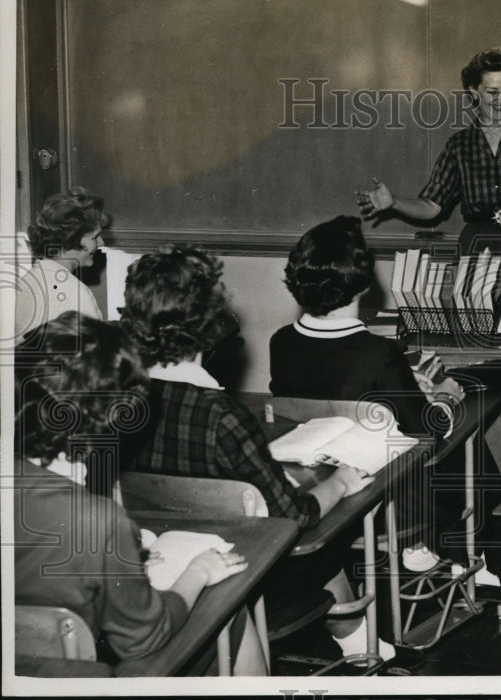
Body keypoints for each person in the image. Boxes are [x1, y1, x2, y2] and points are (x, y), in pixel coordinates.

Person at [118, 245, 422, 669]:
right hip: (247, 574)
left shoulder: (117, 400)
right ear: (209, 326)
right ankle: (363, 648)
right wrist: (339, 482)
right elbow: (296, 515)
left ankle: (360, 642)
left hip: (155, 569)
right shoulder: (220, 415)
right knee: (326, 530)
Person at [270, 216, 501, 605]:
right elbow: (429, 431)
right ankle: (460, 558)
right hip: (388, 498)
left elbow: (321, 396)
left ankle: (428, 549)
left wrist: (404, 383)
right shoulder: (378, 354)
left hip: (318, 483)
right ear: (364, 284)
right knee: (466, 436)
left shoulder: (282, 343)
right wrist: (446, 394)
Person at [14, 312, 266, 675]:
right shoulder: (95, 521)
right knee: (228, 607)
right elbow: (144, 639)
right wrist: (197, 571)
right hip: (81, 678)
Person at [356, 46, 501, 309]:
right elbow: (431, 206)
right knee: (474, 326)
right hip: (477, 249)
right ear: (474, 92)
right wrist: (393, 202)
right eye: (492, 92)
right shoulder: (460, 145)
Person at [15, 187, 109, 341]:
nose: (101, 242)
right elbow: (94, 359)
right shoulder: (76, 293)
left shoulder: (25, 282)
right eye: (95, 237)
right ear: (72, 239)